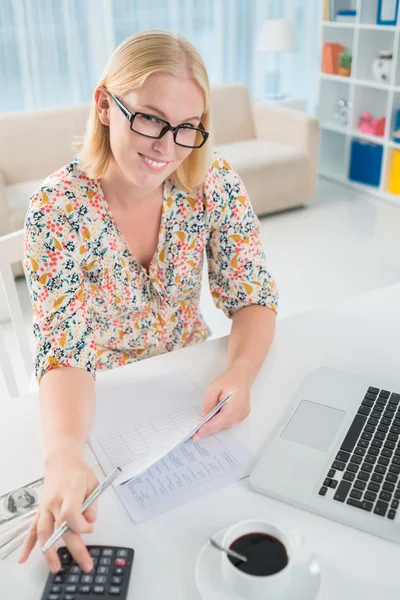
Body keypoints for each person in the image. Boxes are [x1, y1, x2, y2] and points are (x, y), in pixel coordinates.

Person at [19, 30, 278, 574]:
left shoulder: (213, 181)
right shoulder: (56, 210)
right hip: (101, 402)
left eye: (187, 129)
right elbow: (64, 351)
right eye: (151, 119)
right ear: (105, 106)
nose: (166, 146)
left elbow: (251, 295)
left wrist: (242, 372)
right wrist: (64, 451)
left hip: (191, 391)